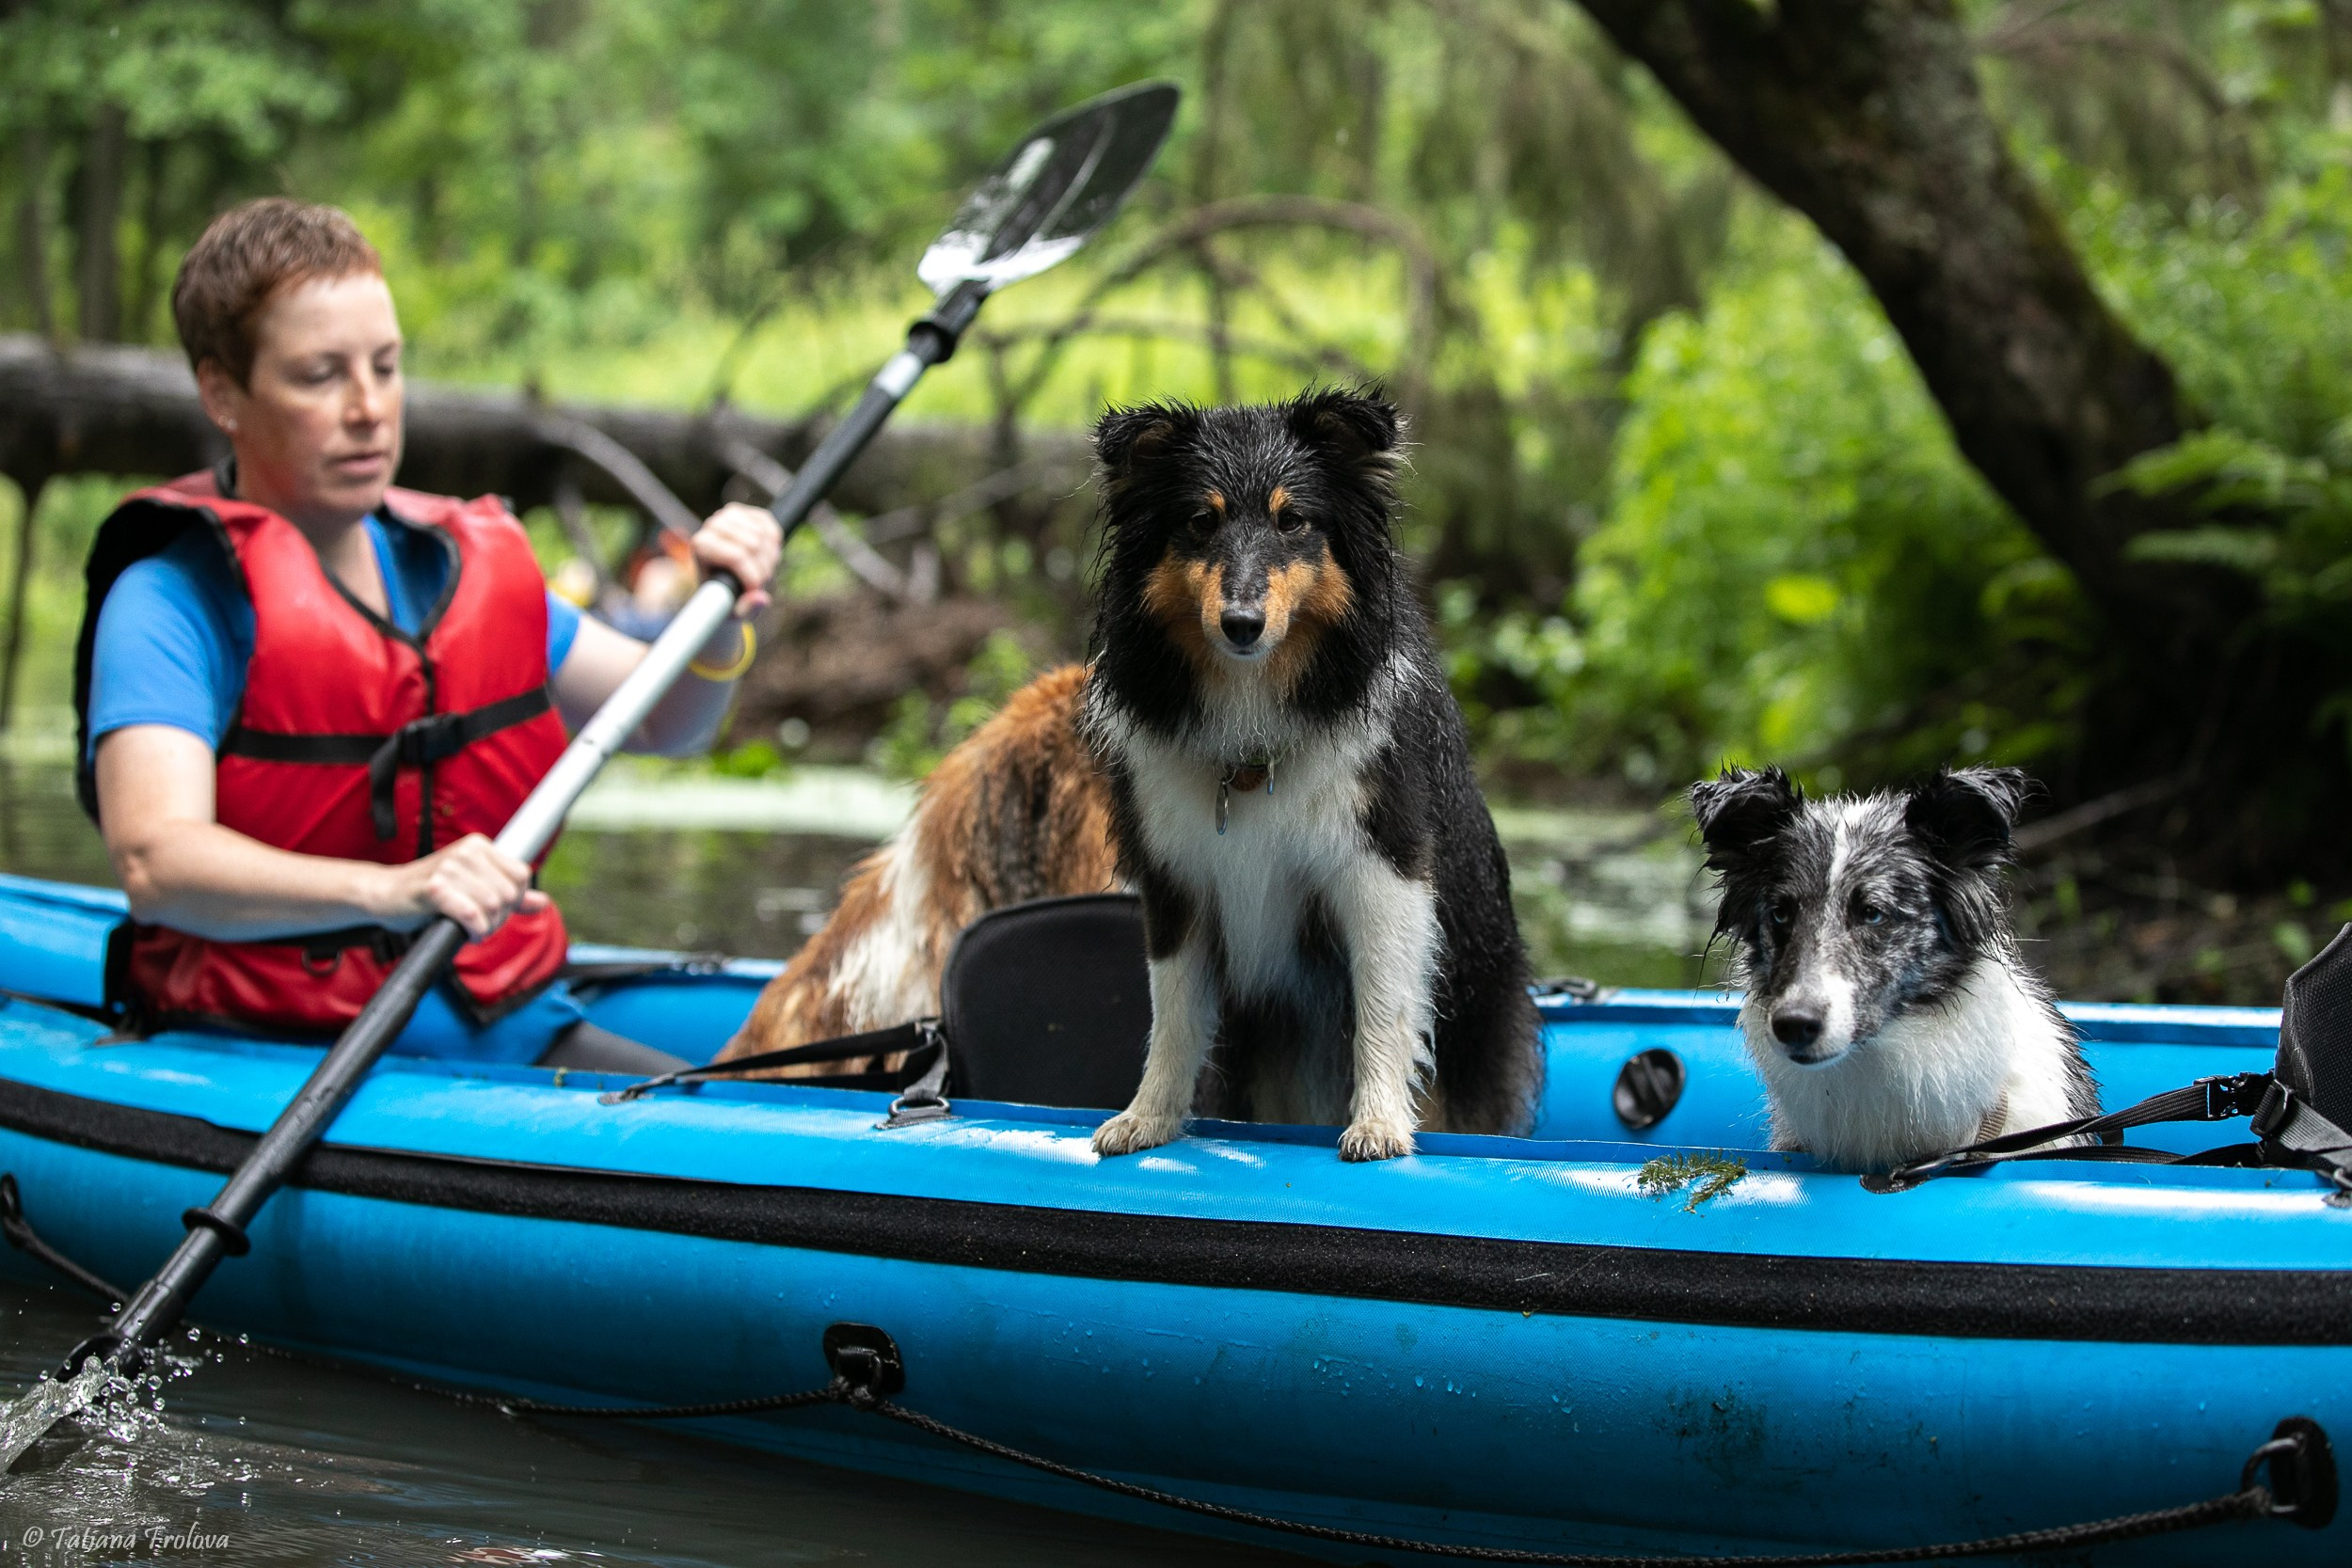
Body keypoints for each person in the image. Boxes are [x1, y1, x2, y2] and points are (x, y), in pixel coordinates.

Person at [73, 198, 782, 1071]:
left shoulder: (451, 565)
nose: (370, 408)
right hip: (273, 1047)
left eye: (386, 365)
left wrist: (713, 624)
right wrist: (394, 889)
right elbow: (157, 859)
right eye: (320, 375)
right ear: (223, 391)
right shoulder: (172, 599)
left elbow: (672, 723)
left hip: (498, 1019)